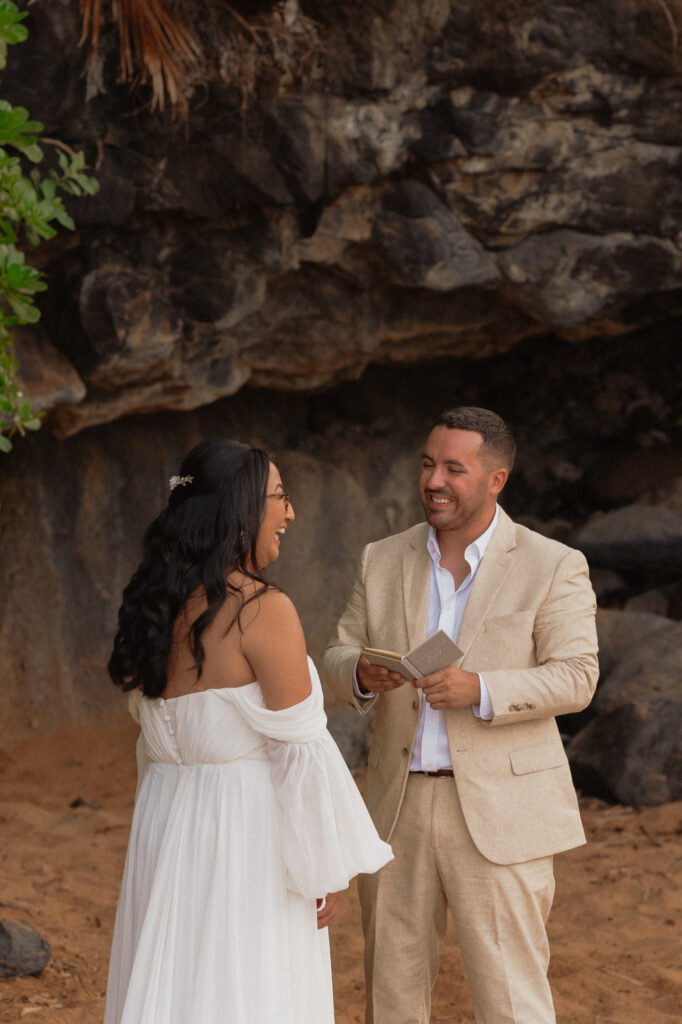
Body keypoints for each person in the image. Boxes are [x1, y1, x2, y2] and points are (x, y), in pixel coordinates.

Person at [322, 407, 599, 1024]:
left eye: (454, 468)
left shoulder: (552, 563)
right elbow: (338, 652)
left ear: (496, 479)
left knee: (510, 997)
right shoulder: (381, 558)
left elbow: (579, 676)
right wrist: (361, 673)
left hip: (504, 814)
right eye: (427, 463)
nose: (434, 480)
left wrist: (482, 688)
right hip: (397, 809)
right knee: (390, 995)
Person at [103, 439, 393, 1024]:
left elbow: (157, 744)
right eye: (280, 498)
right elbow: (300, 751)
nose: (289, 513)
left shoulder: (152, 606)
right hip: (244, 836)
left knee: (176, 982)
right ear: (239, 509)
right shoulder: (261, 610)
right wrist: (321, 865)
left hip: (165, 822)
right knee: (250, 990)